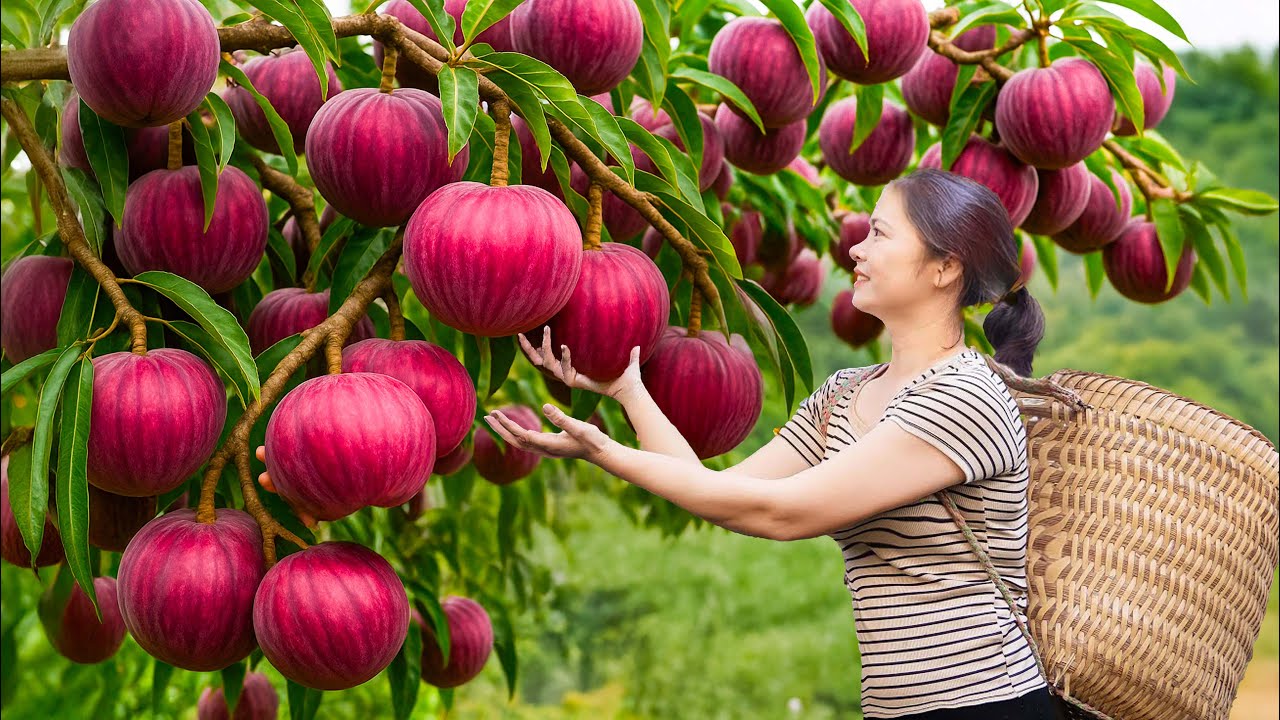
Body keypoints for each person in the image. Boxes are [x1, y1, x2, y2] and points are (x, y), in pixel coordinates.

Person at [257, 168, 1060, 719]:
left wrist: (603, 453)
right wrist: (627, 390)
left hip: (988, 704)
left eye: (879, 234)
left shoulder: (965, 397)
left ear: (945, 268)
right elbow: (725, 491)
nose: (855, 247)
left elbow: (778, 514)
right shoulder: (848, 393)